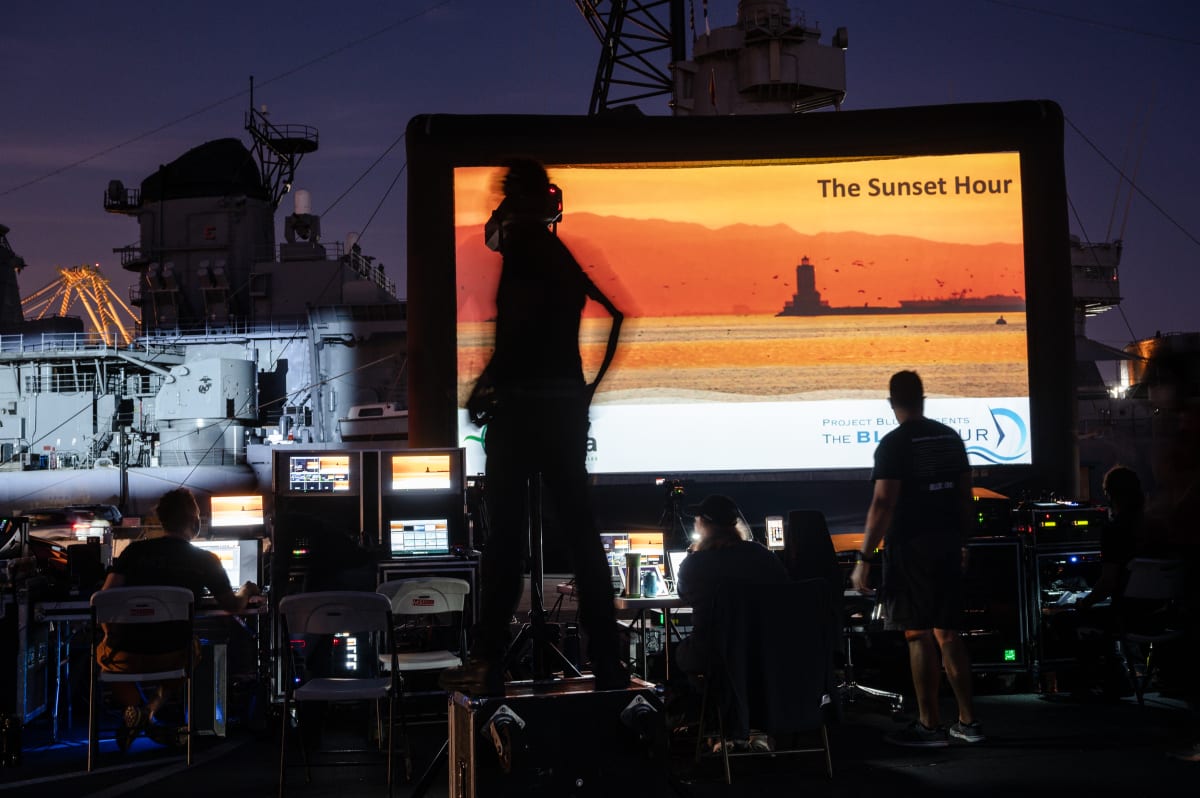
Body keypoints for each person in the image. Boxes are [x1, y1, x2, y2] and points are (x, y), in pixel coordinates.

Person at [440, 157, 625, 695]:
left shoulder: (523, 253)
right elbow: (612, 314)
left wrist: (481, 390)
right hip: (563, 414)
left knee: (504, 541)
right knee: (582, 536)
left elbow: (516, 336)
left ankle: (489, 659)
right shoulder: (559, 255)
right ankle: (608, 658)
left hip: (523, 415)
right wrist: (584, 390)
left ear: (514, 204)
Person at [850, 370, 982, 747]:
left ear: (892, 403)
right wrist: (964, 543)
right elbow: (963, 495)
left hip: (911, 549)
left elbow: (883, 502)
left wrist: (864, 557)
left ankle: (929, 725)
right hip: (948, 545)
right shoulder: (950, 438)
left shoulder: (895, 443)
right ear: (923, 398)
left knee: (917, 634)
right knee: (950, 633)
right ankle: (969, 723)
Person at [96, 487, 259, 750]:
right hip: (173, 654)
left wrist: (111, 632)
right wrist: (248, 589)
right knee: (193, 648)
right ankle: (150, 710)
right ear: (195, 523)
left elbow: (105, 599)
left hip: (123, 655)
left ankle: (136, 711)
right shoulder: (206, 560)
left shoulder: (133, 552)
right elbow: (232, 606)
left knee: (104, 652)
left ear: (163, 520)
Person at [673, 494, 790, 751]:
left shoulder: (695, 564)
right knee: (737, 662)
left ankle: (714, 727)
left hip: (715, 652)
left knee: (679, 653)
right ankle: (749, 726)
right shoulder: (763, 557)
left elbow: (684, 595)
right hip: (765, 651)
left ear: (703, 525)